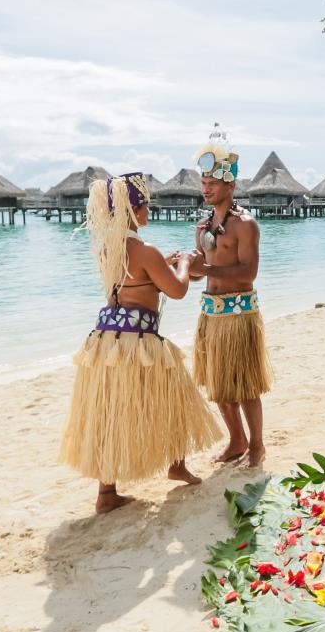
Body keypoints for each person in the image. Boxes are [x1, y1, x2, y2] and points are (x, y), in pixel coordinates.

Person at [59, 173, 222, 513]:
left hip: (107, 340)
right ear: (135, 211)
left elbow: (134, 280)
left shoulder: (109, 247)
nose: (150, 210)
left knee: (112, 411)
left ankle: (107, 493)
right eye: (147, 205)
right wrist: (187, 264)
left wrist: (165, 265)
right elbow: (176, 290)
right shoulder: (145, 250)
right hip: (139, 343)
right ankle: (175, 464)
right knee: (173, 397)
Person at [186, 131, 272, 468]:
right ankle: (237, 441)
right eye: (203, 182)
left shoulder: (244, 226)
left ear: (230, 187)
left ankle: (257, 446)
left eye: (212, 183)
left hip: (239, 314)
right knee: (219, 385)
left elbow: (248, 273)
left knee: (246, 385)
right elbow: (199, 274)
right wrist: (186, 268)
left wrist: (204, 267)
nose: (206, 188)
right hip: (211, 314)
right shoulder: (201, 227)